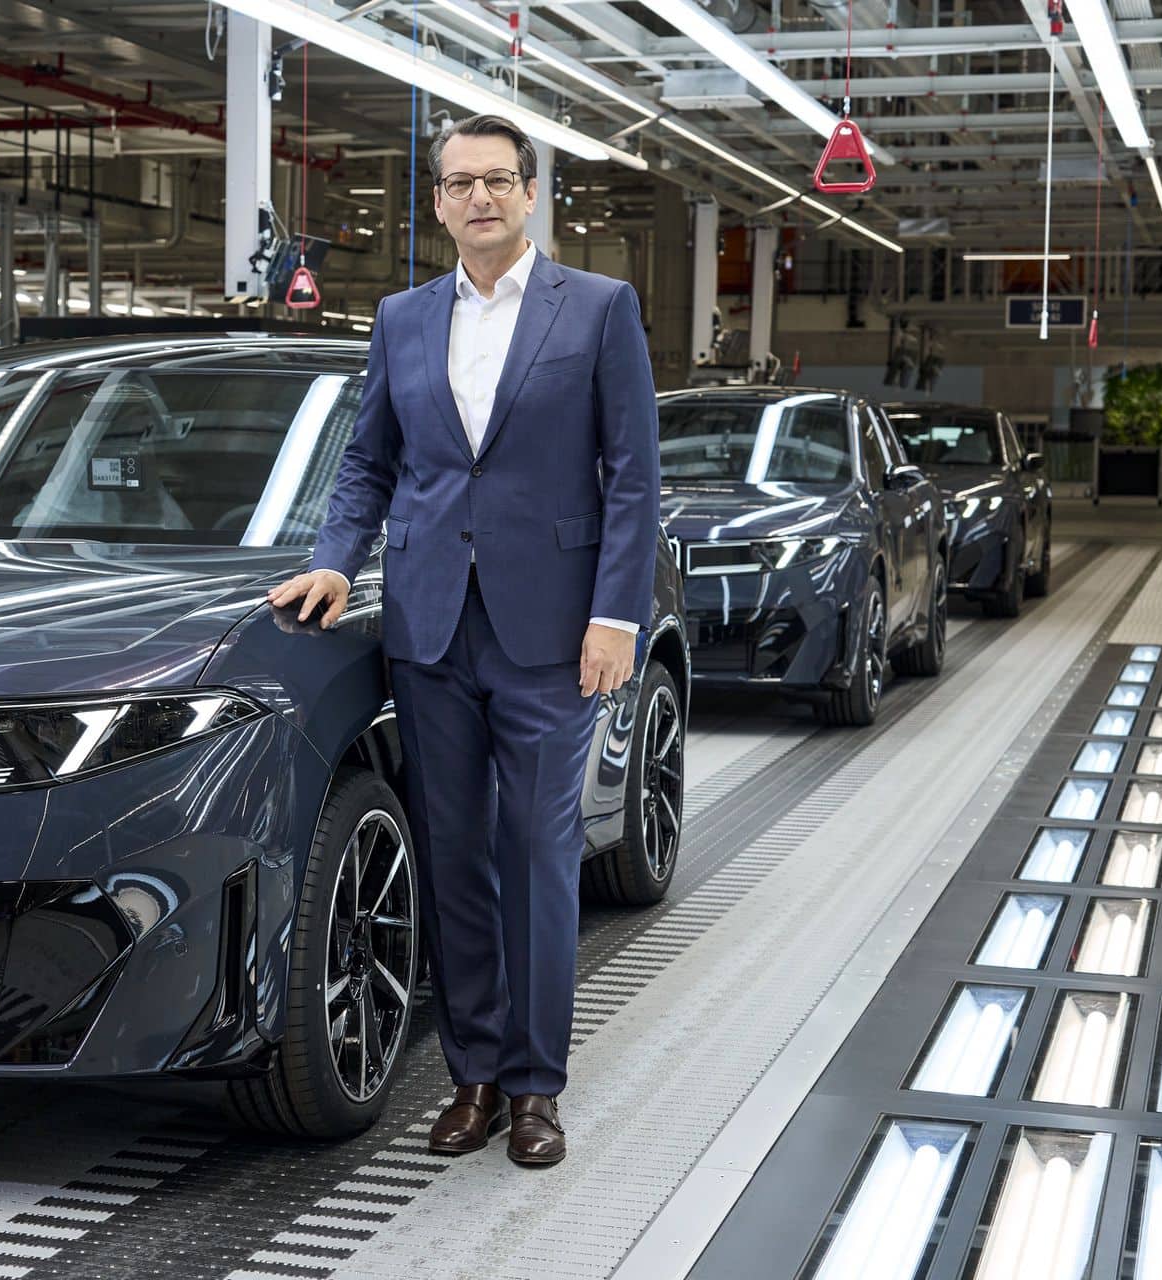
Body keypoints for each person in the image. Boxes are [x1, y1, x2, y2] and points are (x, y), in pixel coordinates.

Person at [267, 113, 660, 1167]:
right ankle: (473, 1074)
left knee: (535, 854)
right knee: (452, 860)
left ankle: (536, 1086)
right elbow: (368, 465)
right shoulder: (400, 319)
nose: (478, 197)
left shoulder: (601, 310)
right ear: (436, 203)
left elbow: (632, 476)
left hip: (553, 634)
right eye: (458, 183)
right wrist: (337, 559)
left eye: (497, 180)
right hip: (431, 627)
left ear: (532, 194)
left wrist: (614, 618)